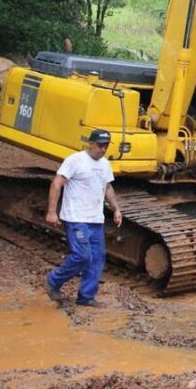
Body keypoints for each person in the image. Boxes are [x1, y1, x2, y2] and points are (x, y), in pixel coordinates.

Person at [44, 129, 123, 307]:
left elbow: (108, 188)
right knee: (82, 255)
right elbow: (57, 183)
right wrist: (51, 211)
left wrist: (116, 209)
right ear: (91, 143)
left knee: (97, 258)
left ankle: (86, 297)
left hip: (96, 219)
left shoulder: (104, 164)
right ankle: (53, 281)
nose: (103, 149)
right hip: (76, 217)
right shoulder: (75, 160)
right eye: (100, 145)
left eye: (106, 146)